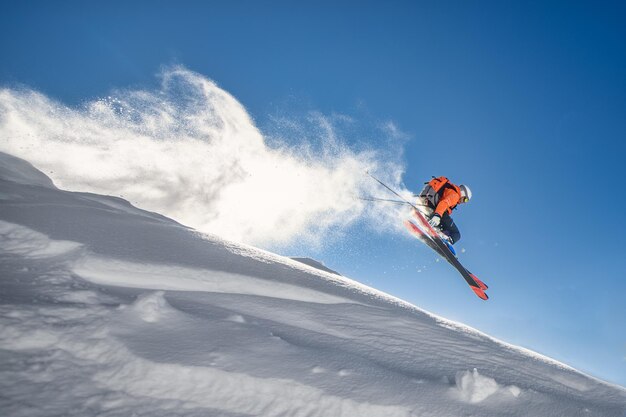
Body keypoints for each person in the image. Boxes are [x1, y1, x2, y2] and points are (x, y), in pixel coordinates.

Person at [417, 176, 472, 245]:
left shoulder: (451, 191)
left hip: (429, 203)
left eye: (466, 201)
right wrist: (437, 215)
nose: (463, 202)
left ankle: (438, 232)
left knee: (444, 226)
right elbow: (444, 202)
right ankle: (447, 241)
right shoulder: (456, 195)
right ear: (463, 193)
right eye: (465, 199)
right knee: (456, 234)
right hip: (437, 211)